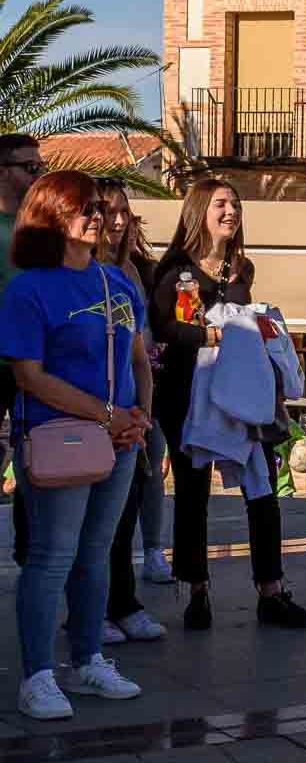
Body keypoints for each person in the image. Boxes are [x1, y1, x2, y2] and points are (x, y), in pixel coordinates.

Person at [2, 171, 151, 718]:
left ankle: (88, 659)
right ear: (50, 217)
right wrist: (108, 416)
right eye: (83, 207)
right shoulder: (28, 289)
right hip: (59, 436)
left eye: (99, 205)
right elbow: (29, 376)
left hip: (121, 438)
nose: (98, 215)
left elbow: (138, 358)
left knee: (97, 552)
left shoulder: (118, 282)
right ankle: (38, 675)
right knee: (51, 556)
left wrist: (141, 418)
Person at [150, 179, 306, 631]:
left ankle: (271, 590)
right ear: (199, 210)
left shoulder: (242, 267)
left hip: (242, 395)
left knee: (262, 489)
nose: (231, 210)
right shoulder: (177, 270)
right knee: (193, 495)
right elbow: (168, 329)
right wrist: (212, 334)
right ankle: (196, 591)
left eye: (235, 204)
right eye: (221, 203)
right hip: (188, 398)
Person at [98, 180, 169, 641]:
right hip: (88, 415)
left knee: (124, 513)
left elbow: (140, 351)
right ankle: (92, 613)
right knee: (92, 526)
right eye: (107, 210)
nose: (119, 220)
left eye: (125, 211)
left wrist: (142, 412)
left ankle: (122, 603)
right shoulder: (70, 275)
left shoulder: (131, 275)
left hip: (129, 412)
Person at [1, 133, 47, 567]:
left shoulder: (41, 234)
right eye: (30, 168)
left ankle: (29, 555)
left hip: (35, 366)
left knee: (37, 460)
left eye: (41, 167)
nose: (38, 176)